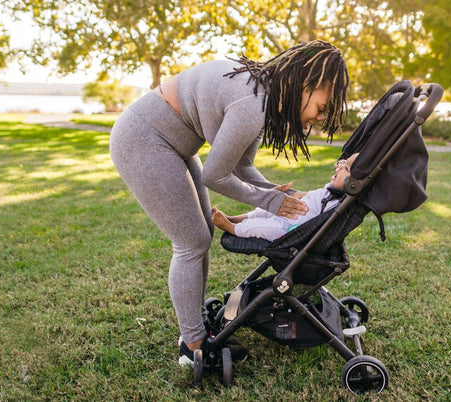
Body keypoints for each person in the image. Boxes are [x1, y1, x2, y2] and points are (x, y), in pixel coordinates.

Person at [109, 40, 349, 366]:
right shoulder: (253, 103)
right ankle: (193, 346)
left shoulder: (265, 95)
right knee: (191, 240)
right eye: (321, 108)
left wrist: (271, 192)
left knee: (200, 235)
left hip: (175, 143)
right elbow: (215, 176)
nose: (319, 118)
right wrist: (269, 200)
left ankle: (194, 329)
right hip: (143, 138)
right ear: (306, 84)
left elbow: (240, 166)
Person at [212, 153, 359, 241]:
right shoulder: (334, 191)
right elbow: (316, 198)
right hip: (290, 213)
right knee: (264, 211)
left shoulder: (340, 203)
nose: (337, 166)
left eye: (345, 168)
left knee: (262, 227)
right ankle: (235, 218)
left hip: (289, 228)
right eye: (342, 162)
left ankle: (232, 227)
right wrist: (302, 196)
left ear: (354, 183)